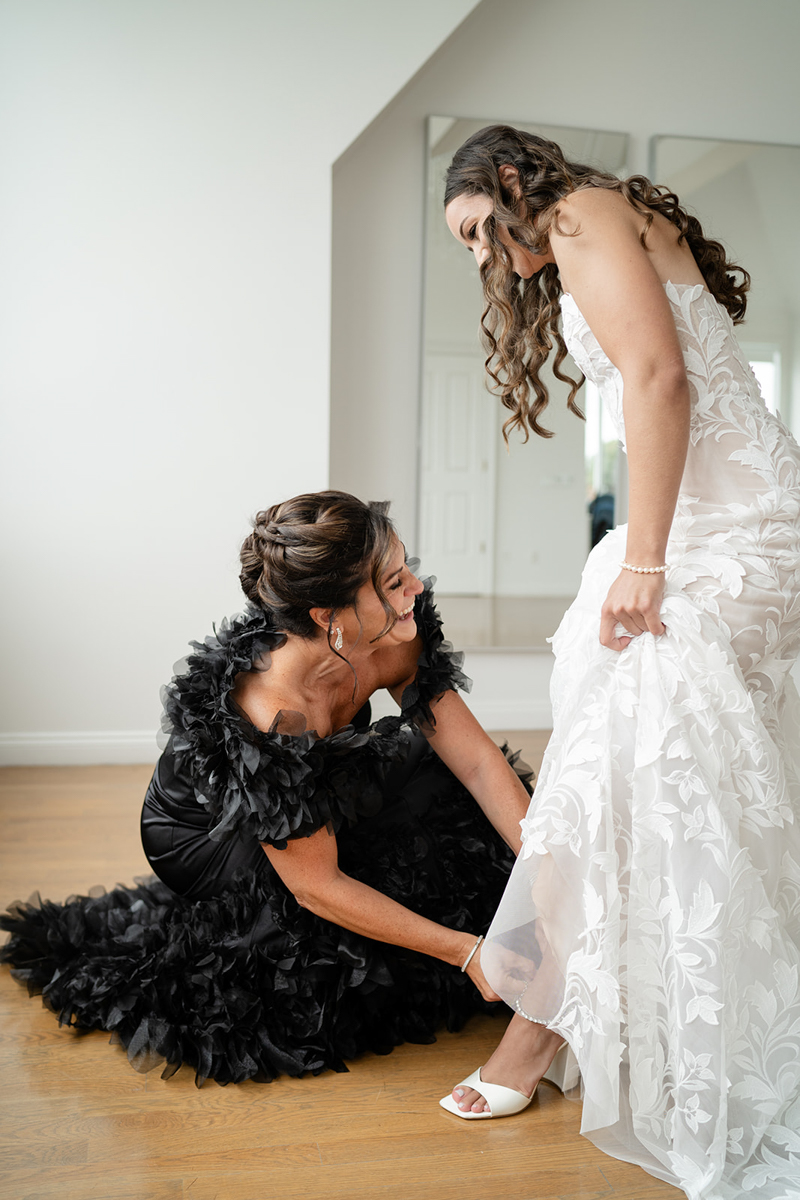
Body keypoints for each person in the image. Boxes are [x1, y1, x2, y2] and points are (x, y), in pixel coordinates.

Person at [439, 125, 800, 1199]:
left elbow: (657, 378)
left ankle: (534, 1033)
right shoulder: (588, 222)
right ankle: (580, 1010)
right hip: (682, 537)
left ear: (510, 182)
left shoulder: (578, 209)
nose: (481, 257)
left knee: (622, 754)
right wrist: (640, 554)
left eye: (474, 230)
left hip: (736, 537)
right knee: (617, 767)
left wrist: (642, 560)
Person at [1, 490, 535, 1086]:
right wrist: (465, 951)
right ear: (328, 617)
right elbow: (318, 887)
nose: (414, 586)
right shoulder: (271, 712)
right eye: (391, 582)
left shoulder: (396, 635)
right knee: (302, 958)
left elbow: (480, 766)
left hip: (305, 790)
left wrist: (550, 872)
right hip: (202, 834)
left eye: (406, 564)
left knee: (444, 794)